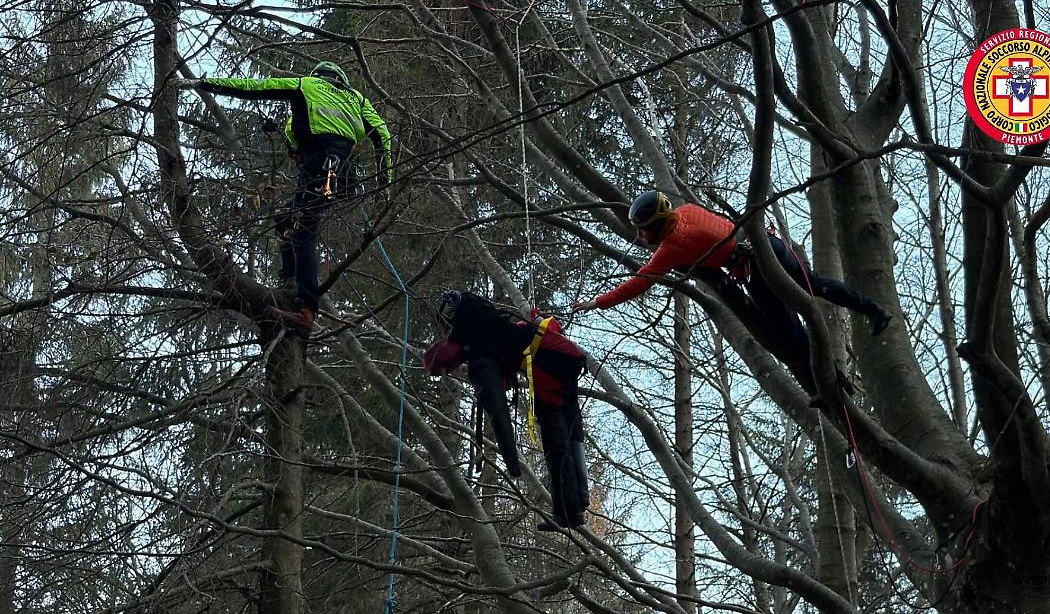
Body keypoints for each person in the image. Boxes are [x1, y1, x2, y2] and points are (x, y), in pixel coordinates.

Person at [572, 190, 892, 391]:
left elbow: (640, 282)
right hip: (768, 244)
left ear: (656, 226)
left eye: (643, 231)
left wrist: (597, 303)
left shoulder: (670, 249)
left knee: (789, 332)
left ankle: (835, 384)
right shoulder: (687, 209)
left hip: (756, 269)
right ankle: (873, 310)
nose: (641, 238)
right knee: (817, 284)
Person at [180, 61, 393, 335]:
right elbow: (383, 135)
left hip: (319, 164)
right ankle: (290, 282)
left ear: (318, 76)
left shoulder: (305, 84)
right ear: (340, 79)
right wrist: (384, 183)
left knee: (303, 228)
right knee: (285, 218)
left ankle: (306, 309)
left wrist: (204, 84)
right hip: (342, 171)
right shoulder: (357, 99)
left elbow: (255, 88)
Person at [425, 291, 590, 531]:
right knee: (572, 432)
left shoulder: (478, 356)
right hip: (567, 356)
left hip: (549, 368)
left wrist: (511, 462)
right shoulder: (483, 321)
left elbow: (498, 412)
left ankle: (568, 512)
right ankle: (580, 500)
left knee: (556, 445)